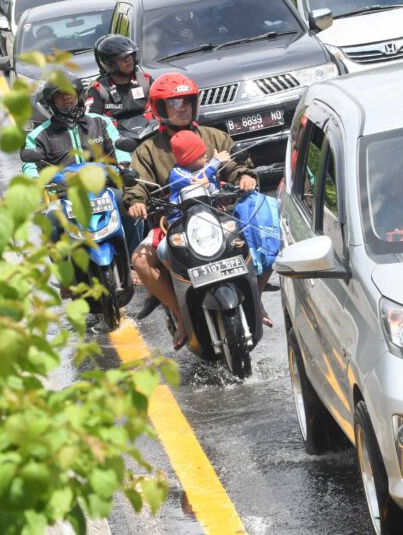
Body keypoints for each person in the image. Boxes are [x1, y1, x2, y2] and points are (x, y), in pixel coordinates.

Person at [125, 73, 267, 349]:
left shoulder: (214, 136)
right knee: (141, 260)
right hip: (172, 222)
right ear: (159, 109)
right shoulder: (147, 149)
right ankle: (181, 315)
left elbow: (235, 164)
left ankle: (256, 299)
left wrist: (245, 177)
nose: (182, 108)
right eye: (174, 103)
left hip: (220, 216)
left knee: (264, 238)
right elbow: (136, 184)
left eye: (187, 102)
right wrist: (136, 202)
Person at [21, 73, 129, 176]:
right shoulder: (38, 136)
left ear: (78, 94)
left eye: (70, 91)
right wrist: (34, 178)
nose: (66, 96)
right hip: (62, 187)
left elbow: (117, 147)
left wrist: (124, 165)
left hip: (105, 184)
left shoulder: (101, 122)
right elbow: (30, 166)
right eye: (59, 93)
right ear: (52, 101)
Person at [86, 34, 153, 124]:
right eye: (122, 57)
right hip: (116, 132)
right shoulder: (98, 90)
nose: (128, 59)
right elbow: (90, 123)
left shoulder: (146, 81)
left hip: (151, 130)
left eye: (130, 55)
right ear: (109, 63)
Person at [167, 130, 230, 204]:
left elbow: (214, 189)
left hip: (208, 207)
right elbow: (195, 180)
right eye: (201, 156)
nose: (206, 156)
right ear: (189, 160)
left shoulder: (205, 168)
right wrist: (215, 163)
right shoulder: (177, 174)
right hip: (183, 210)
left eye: (205, 153)